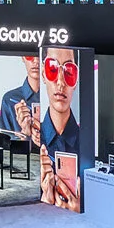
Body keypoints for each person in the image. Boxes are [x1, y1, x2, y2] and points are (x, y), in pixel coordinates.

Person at [38, 48, 83, 211]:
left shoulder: (87, 143)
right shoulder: (36, 138)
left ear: (77, 80)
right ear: (43, 74)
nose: (60, 82)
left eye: (69, 72)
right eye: (52, 70)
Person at [0, 53, 41, 133]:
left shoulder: (58, 100)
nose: (36, 60)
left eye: (41, 55)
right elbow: (5, 142)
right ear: (23, 57)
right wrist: (24, 133)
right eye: (29, 55)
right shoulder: (10, 100)